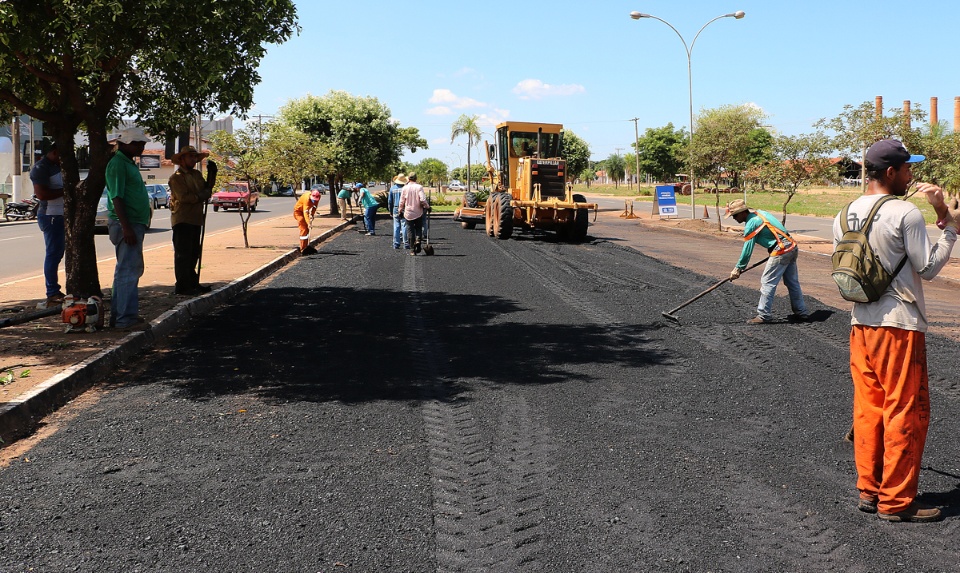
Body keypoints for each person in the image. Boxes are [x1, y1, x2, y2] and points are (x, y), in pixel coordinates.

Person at [832, 139, 959, 523]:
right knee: (906, 411)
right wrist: (948, 224)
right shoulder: (904, 212)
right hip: (898, 327)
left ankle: (869, 491)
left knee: (869, 409)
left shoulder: (843, 213)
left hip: (861, 323)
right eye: (907, 168)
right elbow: (929, 268)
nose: (911, 174)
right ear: (890, 173)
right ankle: (897, 501)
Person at [725, 198, 809, 323]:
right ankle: (802, 313)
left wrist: (738, 268)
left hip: (781, 251)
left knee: (767, 282)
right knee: (792, 282)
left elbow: (747, 250)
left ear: (743, 212)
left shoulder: (751, 223)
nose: (734, 218)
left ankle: (763, 315)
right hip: (791, 246)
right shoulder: (760, 213)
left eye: (735, 215)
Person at [105, 126, 151, 329]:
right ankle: (125, 319)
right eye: (137, 143)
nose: (141, 147)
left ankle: (122, 315)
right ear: (124, 144)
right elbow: (116, 196)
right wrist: (126, 228)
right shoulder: (117, 164)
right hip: (127, 223)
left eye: (142, 143)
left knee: (127, 269)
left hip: (133, 223)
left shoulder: (128, 163)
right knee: (128, 271)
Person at [168, 145, 216, 296]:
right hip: (182, 219)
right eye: (191, 157)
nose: (194, 160)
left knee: (194, 252)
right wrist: (202, 196)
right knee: (183, 253)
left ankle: (192, 282)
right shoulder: (176, 178)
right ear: (182, 159)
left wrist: (211, 177)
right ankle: (182, 285)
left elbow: (205, 189)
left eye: (195, 157)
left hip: (196, 218)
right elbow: (184, 197)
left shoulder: (196, 174)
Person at [29, 143, 65, 307]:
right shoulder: (41, 167)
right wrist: (68, 191)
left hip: (61, 214)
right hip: (51, 215)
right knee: (53, 253)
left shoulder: (58, 165)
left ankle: (54, 291)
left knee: (58, 252)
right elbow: (42, 194)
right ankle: (52, 292)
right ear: (55, 152)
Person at [397, 172, 428, 255]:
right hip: (418, 212)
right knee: (418, 228)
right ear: (416, 178)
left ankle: (412, 250)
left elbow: (401, 201)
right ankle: (418, 239)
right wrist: (427, 206)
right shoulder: (419, 187)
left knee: (410, 230)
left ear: (408, 179)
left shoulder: (405, 188)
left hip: (408, 213)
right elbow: (423, 199)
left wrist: (400, 210)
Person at [387, 174, 408, 249]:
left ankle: (396, 243)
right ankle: (406, 243)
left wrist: (390, 211)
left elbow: (390, 201)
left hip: (395, 208)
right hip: (404, 208)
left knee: (396, 226)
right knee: (404, 225)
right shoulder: (406, 188)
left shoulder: (392, 189)